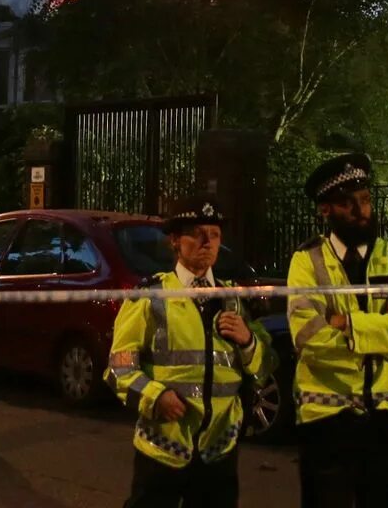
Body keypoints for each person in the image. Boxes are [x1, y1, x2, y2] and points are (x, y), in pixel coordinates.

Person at [106, 197, 272, 508]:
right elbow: (118, 369)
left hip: (219, 447)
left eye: (215, 234)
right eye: (196, 233)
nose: (207, 242)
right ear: (174, 241)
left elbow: (264, 369)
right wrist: (155, 397)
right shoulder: (150, 297)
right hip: (163, 445)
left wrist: (249, 340)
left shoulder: (234, 299)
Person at [287, 152, 388, 508]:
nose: (360, 210)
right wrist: (382, 327)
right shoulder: (306, 262)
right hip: (327, 421)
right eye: (347, 203)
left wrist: (346, 322)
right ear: (326, 211)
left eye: (365, 200)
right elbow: (308, 339)